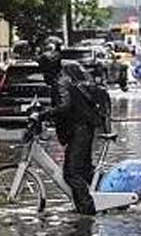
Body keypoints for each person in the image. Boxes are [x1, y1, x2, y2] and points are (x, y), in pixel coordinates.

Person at [36, 48, 96, 216]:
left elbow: (64, 106)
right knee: (84, 171)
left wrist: (44, 114)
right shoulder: (61, 78)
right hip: (81, 128)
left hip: (80, 130)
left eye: (43, 70)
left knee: (71, 173)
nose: (42, 75)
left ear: (49, 69)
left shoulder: (60, 82)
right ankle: (96, 197)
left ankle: (87, 210)